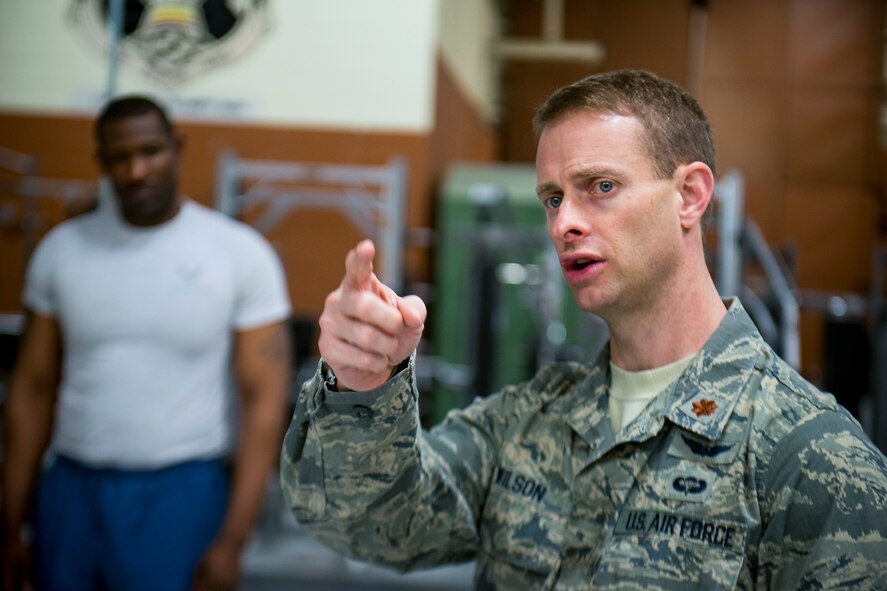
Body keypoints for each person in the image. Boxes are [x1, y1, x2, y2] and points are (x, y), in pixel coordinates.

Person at [279, 70, 887, 589]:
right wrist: (360, 388)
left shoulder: (812, 462)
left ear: (690, 195)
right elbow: (365, 525)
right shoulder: (527, 424)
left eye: (601, 187)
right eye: (552, 198)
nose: (564, 222)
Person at [1, 96, 292, 591]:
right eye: (120, 157)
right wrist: (8, 523)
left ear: (177, 149)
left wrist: (233, 540)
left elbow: (264, 404)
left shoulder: (239, 255)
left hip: (181, 493)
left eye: (151, 151)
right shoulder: (61, 253)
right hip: (71, 490)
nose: (137, 170)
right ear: (102, 163)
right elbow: (31, 390)